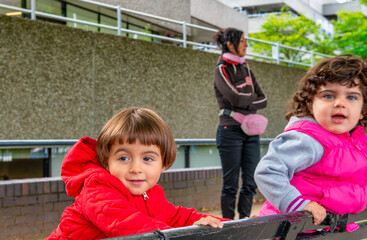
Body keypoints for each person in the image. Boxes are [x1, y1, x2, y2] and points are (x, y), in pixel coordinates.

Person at [46, 107, 227, 240]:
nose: (135, 168)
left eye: (147, 159)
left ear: (164, 163)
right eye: (124, 158)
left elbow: (179, 217)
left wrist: (229, 225)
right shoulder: (97, 190)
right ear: (106, 161)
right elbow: (127, 224)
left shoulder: (152, 194)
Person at [254, 54, 367, 231]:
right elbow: (268, 171)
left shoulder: (358, 144)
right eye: (329, 96)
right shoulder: (308, 138)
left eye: (351, 97)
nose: (340, 103)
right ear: (310, 103)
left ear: (362, 110)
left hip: (325, 229)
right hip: (290, 230)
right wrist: (298, 204)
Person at [212, 28, 267, 219]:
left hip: (251, 132)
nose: (246, 45)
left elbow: (264, 99)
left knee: (251, 182)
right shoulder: (221, 69)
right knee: (231, 185)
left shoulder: (247, 69)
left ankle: (244, 222)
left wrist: (245, 100)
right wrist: (249, 100)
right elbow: (233, 98)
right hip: (229, 130)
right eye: (242, 41)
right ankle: (227, 225)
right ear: (229, 44)